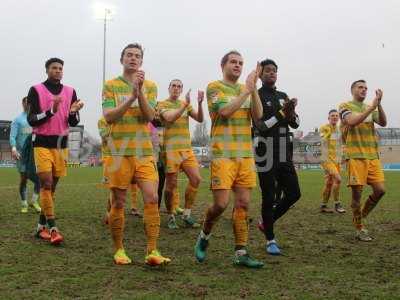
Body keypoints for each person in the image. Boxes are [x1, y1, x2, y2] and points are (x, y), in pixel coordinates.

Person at [194, 50, 264, 268]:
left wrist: (253, 90)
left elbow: (258, 116)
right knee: (221, 204)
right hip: (222, 154)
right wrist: (246, 91)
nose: (237, 65)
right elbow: (224, 112)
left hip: (244, 154)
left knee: (243, 204)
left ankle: (241, 252)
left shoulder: (247, 89)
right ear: (222, 65)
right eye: (233, 62)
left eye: (241, 63)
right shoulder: (214, 87)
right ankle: (205, 234)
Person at [102, 43, 170, 265]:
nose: (133, 58)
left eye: (137, 56)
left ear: (141, 61)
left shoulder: (149, 86)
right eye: (129, 55)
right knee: (118, 203)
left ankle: (152, 250)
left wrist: (139, 92)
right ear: (122, 59)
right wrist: (130, 97)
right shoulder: (110, 85)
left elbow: (150, 116)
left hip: (143, 152)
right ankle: (119, 249)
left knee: (152, 197)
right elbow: (109, 116)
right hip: (119, 152)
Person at [27, 57, 84, 245]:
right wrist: (51, 111)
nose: (58, 71)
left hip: (61, 145)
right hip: (41, 143)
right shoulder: (36, 90)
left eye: (60, 68)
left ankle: (40, 227)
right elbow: (32, 120)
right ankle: (53, 229)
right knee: (46, 184)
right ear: (47, 70)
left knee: (51, 189)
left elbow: (73, 122)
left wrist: (74, 111)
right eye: (54, 68)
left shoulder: (70, 91)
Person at [252, 58, 301, 255]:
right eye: (268, 70)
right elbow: (262, 127)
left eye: (274, 70)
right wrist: (282, 114)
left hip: (283, 150)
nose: (271, 73)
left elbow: (295, 123)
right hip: (265, 151)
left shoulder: (283, 96)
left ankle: (266, 221)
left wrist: (291, 112)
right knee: (269, 195)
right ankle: (270, 239)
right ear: (261, 74)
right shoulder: (256, 96)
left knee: (294, 193)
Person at [339, 80, 386, 241]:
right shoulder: (344, 106)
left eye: (366, 88)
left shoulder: (369, 107)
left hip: (372, 155)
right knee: (357, 194)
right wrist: (372, 108)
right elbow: (352, 121)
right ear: (352, 90)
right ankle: (359, 227)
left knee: (380, 190)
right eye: (360, 87)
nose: (364, 90)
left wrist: (378, 105)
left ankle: (360, 216)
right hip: (355, 156)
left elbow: (383, 122)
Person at [157, 79, 203, 229]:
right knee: (171, 186)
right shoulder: (162, 104)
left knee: (196, 179)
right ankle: (170, 215)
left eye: (179, 86)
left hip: (186, 150)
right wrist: (184, 105)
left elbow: (200, 119)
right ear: (169, 88)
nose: (176, 88)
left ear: (182, 89)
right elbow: (170, 117)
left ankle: (187, 214)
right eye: (174, 86)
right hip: (171, 150)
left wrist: (200, 104)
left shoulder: (186, 105)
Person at [10, 97, 41, 213]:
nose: (27, 105)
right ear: (23, 104)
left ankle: (34, 201)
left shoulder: (35, 119)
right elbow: (12, 136)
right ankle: (24, 203)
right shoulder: (18, 120)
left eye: (29, 103)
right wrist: (13, 148)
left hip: (35, 154)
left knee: (39, 179)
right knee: (23, 179)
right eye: (26, 103)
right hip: (22, 155)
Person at [319, 109, 346, 213]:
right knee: (338, 179)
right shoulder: (324, 128)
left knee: (329, 183)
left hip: (336, 160)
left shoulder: (339, 130)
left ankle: (323, 206)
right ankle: (337, 204)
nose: (335, 117)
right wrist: (330, 131)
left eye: (336, 116)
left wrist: (343, 156)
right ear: (328, 118)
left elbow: (340, 144)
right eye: (332, 116)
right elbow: (322, 140)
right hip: (326, 159)